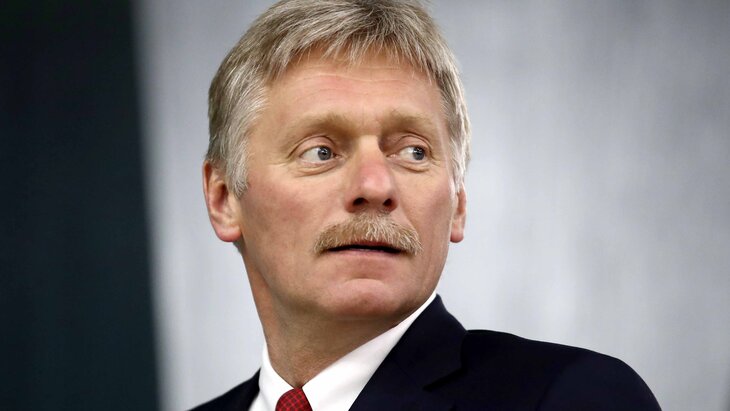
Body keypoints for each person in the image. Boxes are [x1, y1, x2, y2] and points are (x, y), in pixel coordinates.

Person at [194, 0, 661, 409]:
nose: (376, 185)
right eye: (320, 152)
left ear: (458, 203)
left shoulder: (573, 397)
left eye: (414, 152)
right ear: (223, 199)